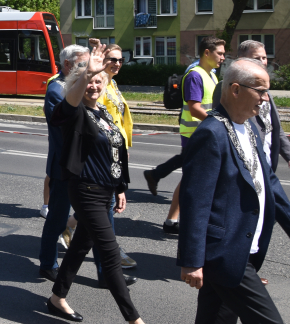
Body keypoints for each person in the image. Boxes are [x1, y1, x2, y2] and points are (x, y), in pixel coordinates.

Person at [179, 58, 290, 324]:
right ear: (236, 89)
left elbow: (269, 181)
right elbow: (196, 201)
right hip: (224, 251)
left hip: (246, 245)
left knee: (214, 319)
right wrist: (192, 260)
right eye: (260, 90)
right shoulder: (212, 133)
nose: (265, 99)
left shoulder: (250, 125)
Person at [47, 44, 143, 324]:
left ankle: (56, 298)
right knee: (111, 255)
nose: (94, 85)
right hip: (86, 190)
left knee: (79, 248)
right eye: (88, 81)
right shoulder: (74, 113)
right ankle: (134, 319)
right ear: (77, 84)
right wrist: (86, 74)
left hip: (105, 191)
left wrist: (121, 187)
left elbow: (116, 150)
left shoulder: (103, 113)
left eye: (98, 81)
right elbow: (66, 108)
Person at [144, 36, 226, 234]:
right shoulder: (195, 75)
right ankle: (183, 222)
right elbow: (194, 107)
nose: (223, 57)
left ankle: (172, 221)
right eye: (220, 53)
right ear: (207, 52)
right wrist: (220, 122)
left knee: (192, 178)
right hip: (194, 134)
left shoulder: (212, 75)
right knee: (194, 179)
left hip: (205, 132)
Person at [38, 45, 89, 282]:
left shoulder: (81, 85)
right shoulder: (56, 89)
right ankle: (48, 263)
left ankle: (106, 267)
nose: (87, 70)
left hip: (84, 165)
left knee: (95, 217)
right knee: (57, 219)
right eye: (82, 64)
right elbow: (66, 126)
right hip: (64, 167)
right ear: (67, 65)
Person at [211, 40, 290, 172]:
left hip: (267, 165)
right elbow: (222, 125)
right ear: (242, 60)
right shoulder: (227, 87)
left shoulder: (264, 90)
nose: (262, 62)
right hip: (244, 166)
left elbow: (274, 128)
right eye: (256, 58)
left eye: (264, 57)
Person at [98, 44, 137, 270]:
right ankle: (112, 254)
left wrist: (125, 148)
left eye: (121, 60)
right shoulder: (100, 83)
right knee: (109, 202)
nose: (118, 63)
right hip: (106, 150)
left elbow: (120, 119)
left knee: (104, 205)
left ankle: (69, 225)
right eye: (113, 59)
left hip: (117, 149)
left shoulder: (112, 83)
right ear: (102, 59)